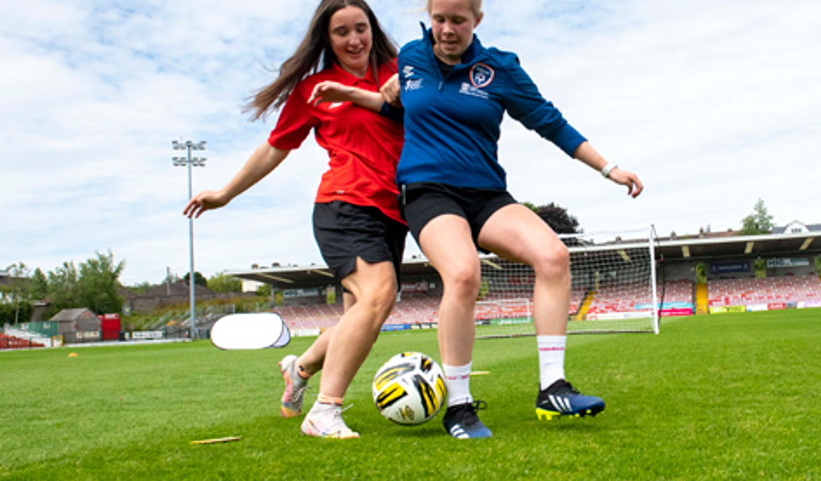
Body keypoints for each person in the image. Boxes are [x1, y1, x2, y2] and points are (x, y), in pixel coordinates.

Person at [392, 0, 645, 439]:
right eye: (439, 20)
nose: (447, 30)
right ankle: (459, 407)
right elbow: (391, 95)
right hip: (428, 192)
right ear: (428, 16)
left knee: (553, 256)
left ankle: (552, 388)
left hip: (486, 193)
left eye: (458, 21)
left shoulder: (499, 68)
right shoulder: (410, 58)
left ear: (478, 21)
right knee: (464, 273)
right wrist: (368, 93)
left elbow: (550, 121)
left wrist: (609, 169)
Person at [183, 0, 406, 439]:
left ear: (373, 30)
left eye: (360, 28)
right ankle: (325, 411)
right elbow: (275, 147)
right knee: (380, 294)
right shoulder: (314, 88)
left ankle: (299, 367)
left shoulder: (402, 68)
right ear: (328, 39)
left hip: (394, 211)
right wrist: (225, 193)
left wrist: (408, 83)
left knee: (364, 319)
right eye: (341, 32)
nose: (354, 39)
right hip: (343, 205)